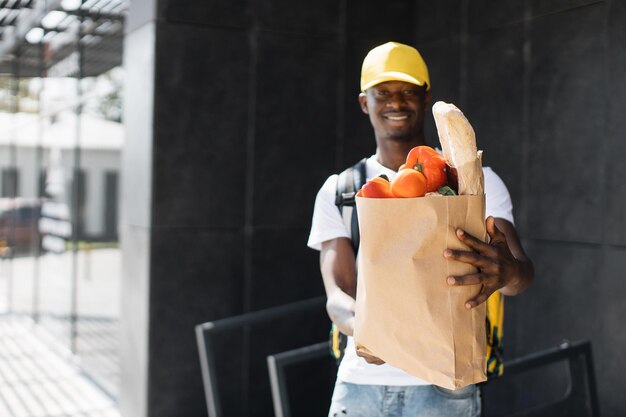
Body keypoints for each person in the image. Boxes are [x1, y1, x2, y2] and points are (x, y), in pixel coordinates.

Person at [307, 41, 534, 417]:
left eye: (407, 92)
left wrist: (508, 271)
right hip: (359, 387)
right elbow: (338, 293)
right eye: (383, 93)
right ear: (365, 102)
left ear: (426, 98)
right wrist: (366, 332)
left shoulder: (476, 182)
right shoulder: (342, 190)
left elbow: (520, 277)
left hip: (445, 384)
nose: (396, 102)